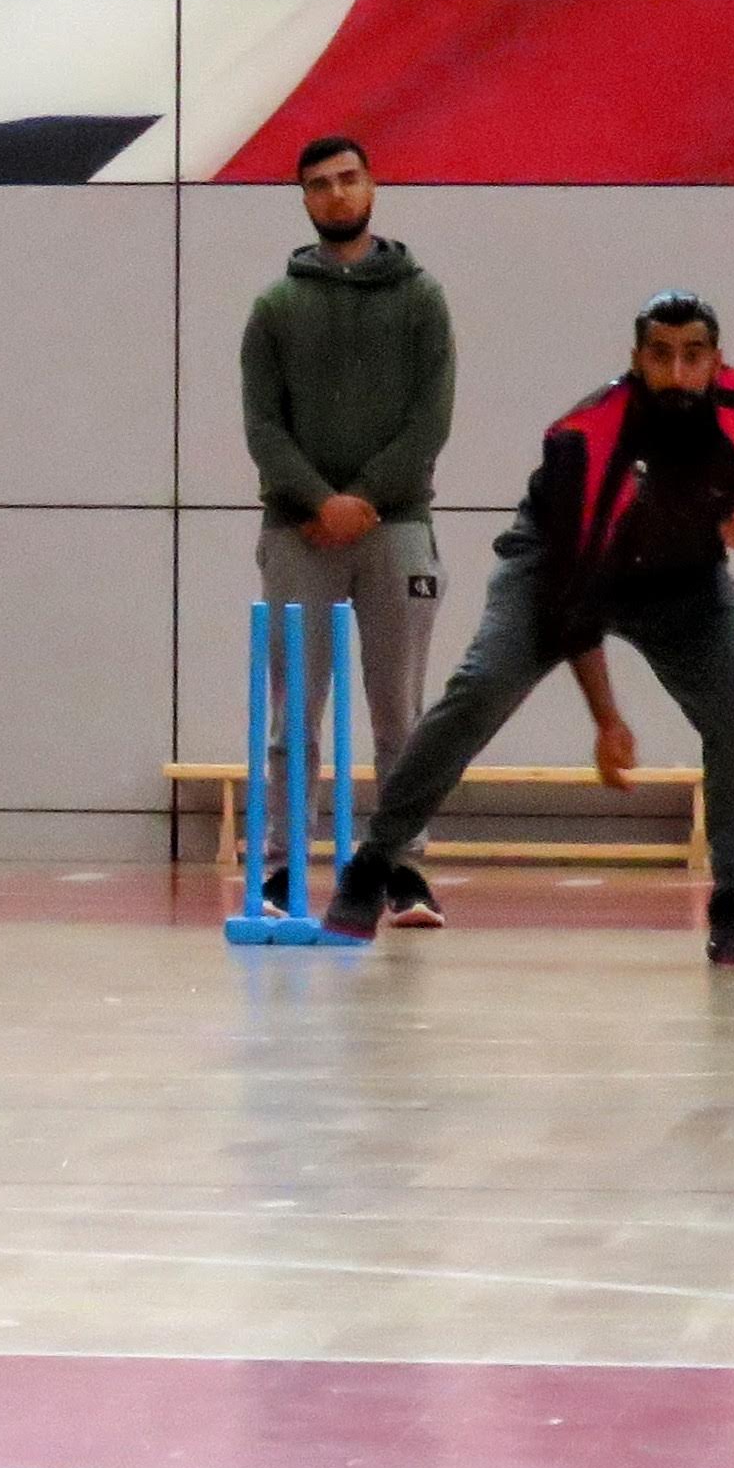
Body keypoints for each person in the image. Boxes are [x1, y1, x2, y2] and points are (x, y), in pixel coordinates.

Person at [322, 293, 734, 968]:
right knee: (480, 690)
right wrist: (607, 721)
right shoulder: (586, 440)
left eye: (692, 356)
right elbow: (572, 598)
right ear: (636, 360)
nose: (676, 372)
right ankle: (372, 862)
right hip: (555, 570)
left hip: (684, 582)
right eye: (660, 355)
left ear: (716, 361)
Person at [240, 134, 455, 926]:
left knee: (398, 710)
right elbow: (263, 428)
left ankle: (399, 872)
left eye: (348, 178)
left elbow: (428, 420)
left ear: (372, 185)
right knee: (294, 711)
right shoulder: (274, 308)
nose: (336, 194)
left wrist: (362, 497)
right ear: (303, 199)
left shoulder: (421, 298)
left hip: (396, 528)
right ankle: (279, 873)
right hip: (298, 532)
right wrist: (318, 503)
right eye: (319, 185)